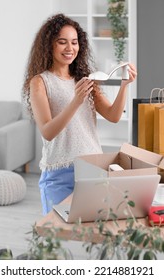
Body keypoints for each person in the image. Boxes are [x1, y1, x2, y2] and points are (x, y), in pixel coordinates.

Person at [22, 13, 137, 215]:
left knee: (93, 236)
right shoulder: (40, 82)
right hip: (59, 173)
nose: (70, 48)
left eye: (74, 42)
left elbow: (113, 115)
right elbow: (48, 131)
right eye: (62, 42)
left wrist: (125, 86)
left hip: (93, 168)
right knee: (58, 235)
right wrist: (76, 101)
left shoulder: (84, 79)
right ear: (49, 44)